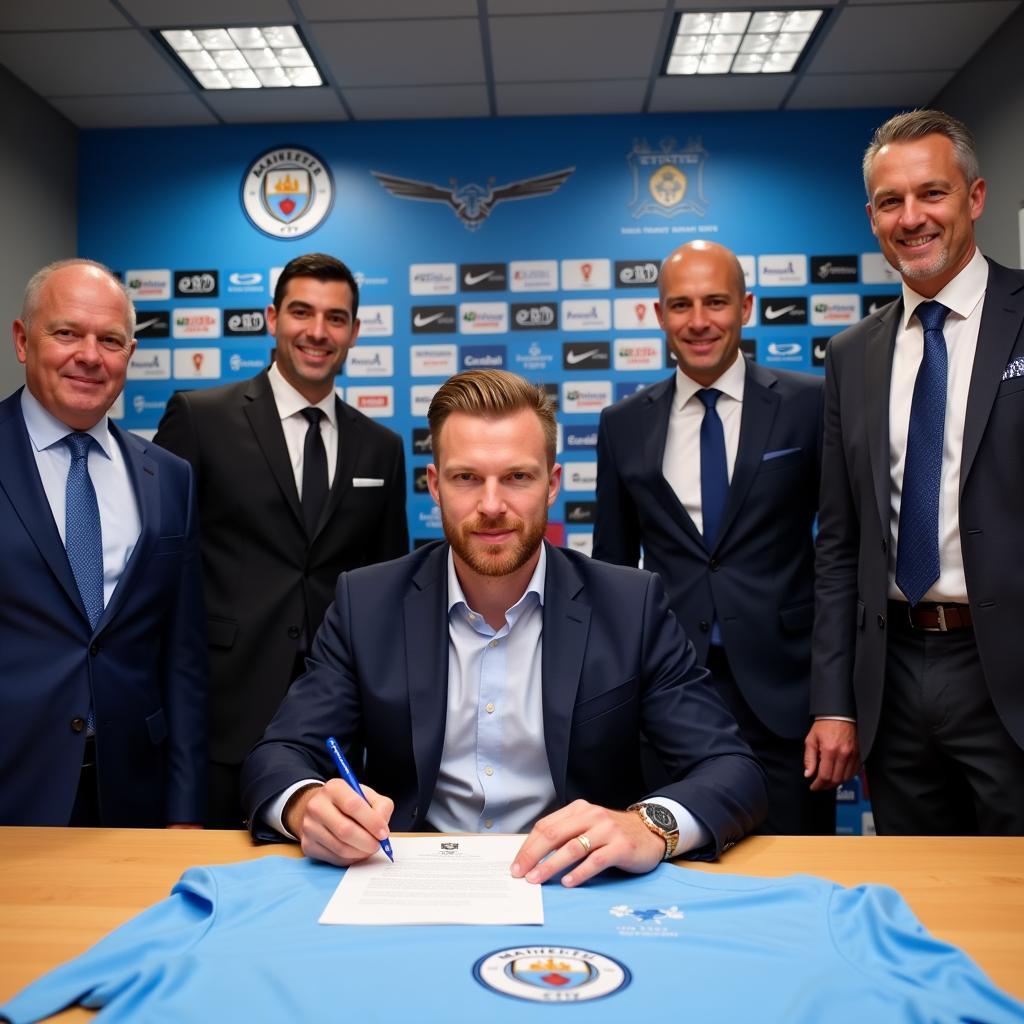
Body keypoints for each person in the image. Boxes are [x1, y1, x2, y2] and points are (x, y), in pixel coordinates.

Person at [242, 369, 766, 883]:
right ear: (435, 486)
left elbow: (731, 770)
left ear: (552, 484)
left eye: (517, 477)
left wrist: (648, 826)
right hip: (406, 883)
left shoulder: (630, 606)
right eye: (467, 477)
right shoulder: (368, 603)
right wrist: (307, 806)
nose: (492, 506)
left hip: (577, 885)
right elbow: (279, 754)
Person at [809, 109, 1024, 834]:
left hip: (1009, 674)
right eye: (890, 202)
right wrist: (834, 699)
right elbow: (840, 545)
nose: (912, 218)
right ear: (871, 217)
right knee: (921, 897)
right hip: (893, 675)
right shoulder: (852, 355)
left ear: (976, 197)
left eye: (931, 193)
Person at [155, 253, 408, 828]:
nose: (318, 332)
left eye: (336, 318)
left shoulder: (381, 447)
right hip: (222, 718)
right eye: (301, 312)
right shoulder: (200, 417)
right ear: (272, 318)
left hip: (341, 726)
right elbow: (163, 573)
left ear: (355, 331)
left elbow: (390, 587)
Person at [593, 241, 832, 835]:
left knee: (798, 873)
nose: (698, 322)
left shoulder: (809, 405)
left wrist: (837, 702)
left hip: (789, 697)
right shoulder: (623, 424)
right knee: (671, 873)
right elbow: (612, 572)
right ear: (658, 315)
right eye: (681, 305)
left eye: (716, 302)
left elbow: (841, 554)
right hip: (669, 694)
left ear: (746, 306)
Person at [0, 259, 206, 827]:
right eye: (66, 332)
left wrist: (186, 810)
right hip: (14, 788)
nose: (89, 355)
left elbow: (183, 662)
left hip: (134, 791)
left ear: (129, 354)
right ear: (23, 341)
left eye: (110, 340)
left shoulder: (169, 477)